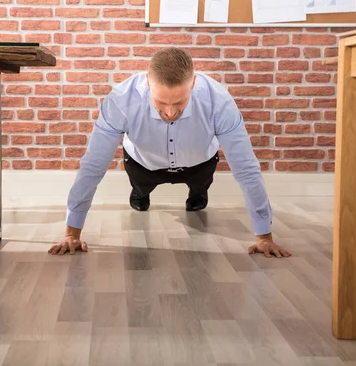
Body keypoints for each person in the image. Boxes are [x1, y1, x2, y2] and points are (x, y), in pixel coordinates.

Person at [48, 47, 291, 258]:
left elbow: (246, 168)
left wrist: (264, 237)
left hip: (199, 162)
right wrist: (72, 233)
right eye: (161, 102)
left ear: (193, 83)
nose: (170, 112)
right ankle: (140, 193)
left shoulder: (219, 102)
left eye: (179, 102)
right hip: (144, 163)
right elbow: (93, 165)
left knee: (199, 193)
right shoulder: (121, 101)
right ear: (148, 82)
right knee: (140, 192)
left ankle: (197, 194)